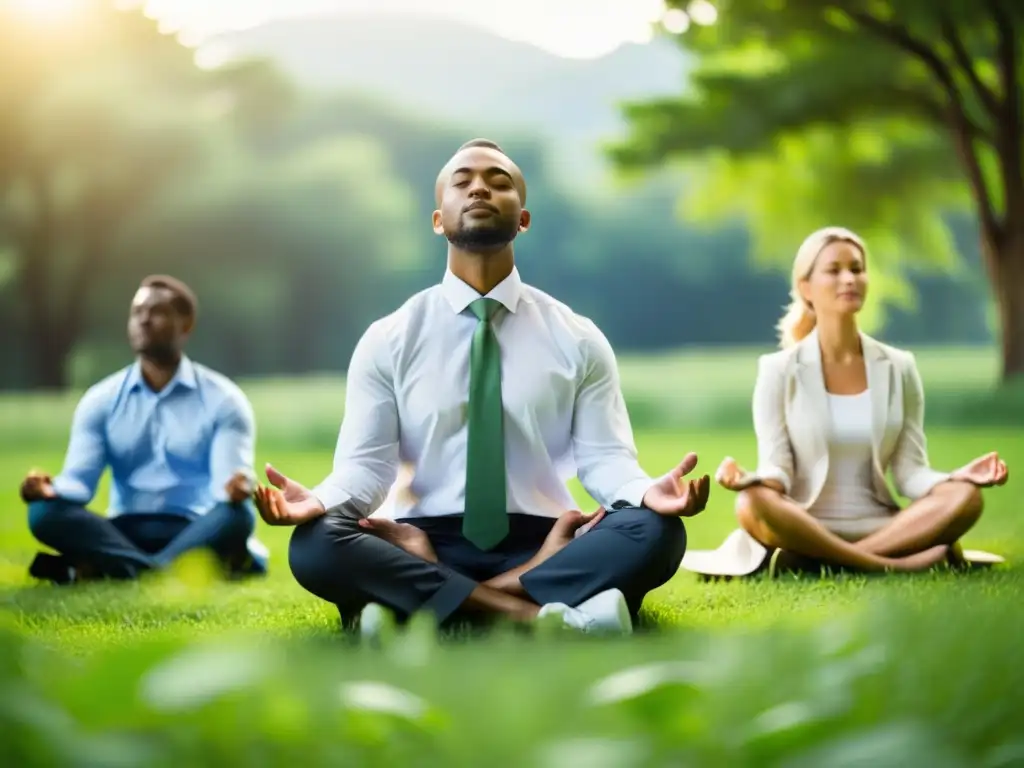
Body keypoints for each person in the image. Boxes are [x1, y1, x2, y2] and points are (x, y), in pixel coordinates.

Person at [253, 138, 710, 637]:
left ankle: (424, 604)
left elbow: (605, 460)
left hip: (543, 539)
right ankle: (539, 615)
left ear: (523, 219)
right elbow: (367, 466)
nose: (479, 189)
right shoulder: (388, 338)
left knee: (655, 531)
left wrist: (645, 492)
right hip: (421, 537)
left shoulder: (578, 337)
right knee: (315, 541)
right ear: (437, 218)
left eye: (499, 182)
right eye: (462, 181)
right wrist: (320, 501)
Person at [682, 227, 1008, 578]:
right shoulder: (777, 370)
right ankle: (893, 564)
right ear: (806, 287)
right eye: (834, 270)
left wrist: (956, 477)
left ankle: (833, 560)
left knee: (967, 496)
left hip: (882, 524)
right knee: (752, 503)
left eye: (856, 268)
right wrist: (750, 479)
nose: (849, 278)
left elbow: (910, 472)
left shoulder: (900, 367)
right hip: (804, 523)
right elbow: (778, 469)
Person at [20, 275, 269, 584]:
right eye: (137, 312)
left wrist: (237, 488)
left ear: (186, 324)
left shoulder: (225, 399)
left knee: (238, 515)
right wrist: (49, 490)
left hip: (194, 528)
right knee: (43, 512)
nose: (144, 320)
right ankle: (161, 572)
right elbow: (79, 484)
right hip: (122, 530)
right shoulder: (100, 400)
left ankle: (109, 568)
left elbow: (227, 485)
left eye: (157, 312)